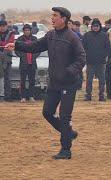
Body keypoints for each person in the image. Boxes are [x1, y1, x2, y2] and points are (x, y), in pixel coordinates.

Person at [5, 7, 85, 159]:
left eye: (55, 16)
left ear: (64, 19)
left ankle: (66, 150)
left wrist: (69, 71)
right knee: (47, 112)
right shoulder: (51, 35)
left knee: (64, 116)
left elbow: (81, 58)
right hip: (54, 83)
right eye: (52, 16)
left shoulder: (72, 37)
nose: (52, 18)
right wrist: (16, 45)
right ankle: (68, 132)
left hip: (69, 84)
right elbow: (34, 46)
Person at [83, 18, 111, 101]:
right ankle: (88, 95)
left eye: (97, 26)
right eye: (94, 26)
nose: (95, 27)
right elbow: (82, 47)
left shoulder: (104, 35)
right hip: (90, 62)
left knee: (102, 80)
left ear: (99, 26)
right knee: (89, 80)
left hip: (101, 62)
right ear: (91, 26)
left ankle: (101, 95)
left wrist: (106, 57)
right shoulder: (87, 35)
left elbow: (108, 48)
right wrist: (85, 57)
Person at [15, 24, 40, 103]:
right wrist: (22, 56)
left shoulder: (34, 39)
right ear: (23, 31)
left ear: (30, 31)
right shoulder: (19, 39)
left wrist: (34, 57)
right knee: (22, 81)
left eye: (28, 30)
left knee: (32, 81)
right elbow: (17, 50)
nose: (27, 32)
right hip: (23, 63)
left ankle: (31, 96)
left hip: (32, 63)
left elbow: (38, 49)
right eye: (25, 30)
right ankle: (23, 97)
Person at [0, 20, 15, 101]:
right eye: (1, 26)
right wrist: (4, 44)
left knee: (8, 78)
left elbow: (10, 44)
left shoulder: (11, 34)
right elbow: (6, 44)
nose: (2, 27)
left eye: (3, 26)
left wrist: (3, 44)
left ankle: (8, 96)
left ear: (6, 26)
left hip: (8, 58)